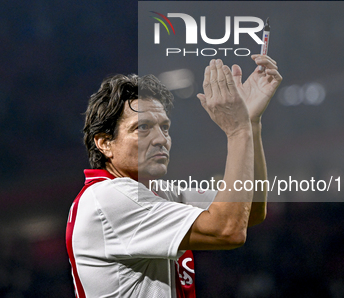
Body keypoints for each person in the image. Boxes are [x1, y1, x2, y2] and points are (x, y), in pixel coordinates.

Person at [66, 56, 282, 297]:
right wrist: (237, 129)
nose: (161, 139)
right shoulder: (108, 199)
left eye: (165, 127)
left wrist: (251, 123)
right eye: (142, 128)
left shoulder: (154, 193)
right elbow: (228, 229)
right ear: (105, 143)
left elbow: (250, 209)